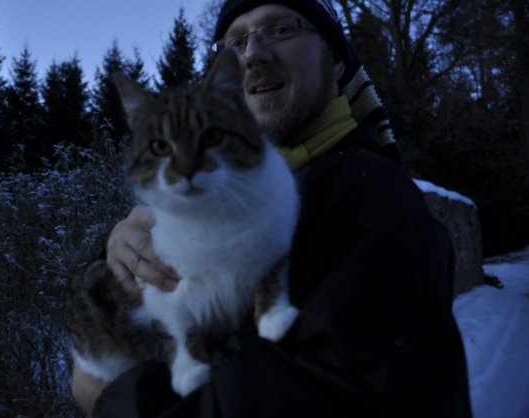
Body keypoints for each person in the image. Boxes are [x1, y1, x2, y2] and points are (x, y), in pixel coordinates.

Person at [72, 0, 473, 416]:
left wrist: (107, 396)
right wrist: (120, 258)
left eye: (281, 29)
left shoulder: (370, 197)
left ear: (337, 60)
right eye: (235, 42)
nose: (252, 55)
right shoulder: (229, 195)